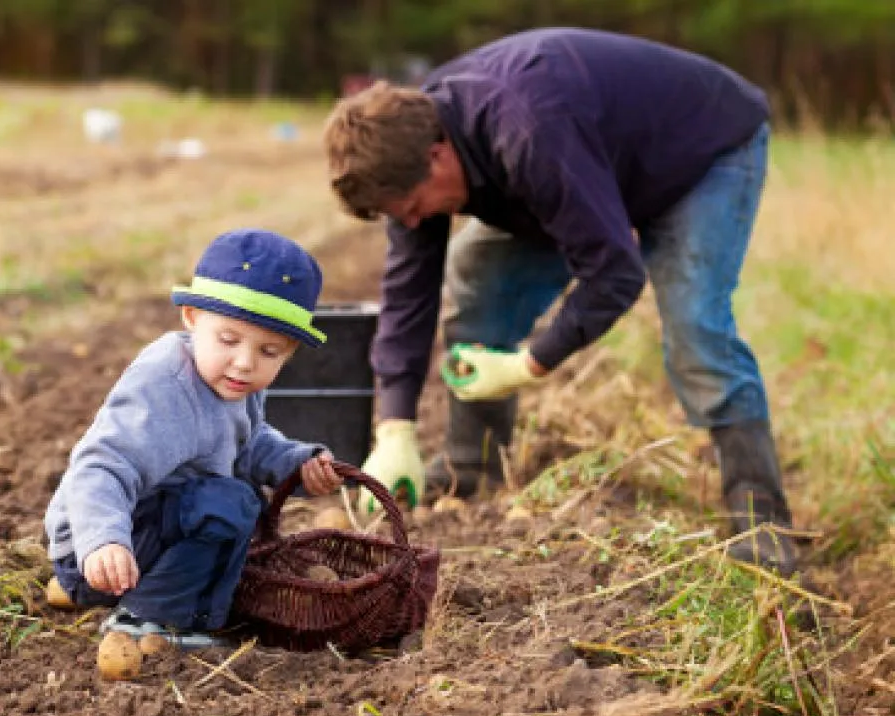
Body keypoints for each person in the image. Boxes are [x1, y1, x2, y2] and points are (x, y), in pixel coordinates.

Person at [323, 28, 798, 575]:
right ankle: (471, 465)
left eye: (410, 206)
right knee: (477, 275)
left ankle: (762, 521)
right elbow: (408, 298)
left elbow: (615, 273)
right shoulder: (405, 150)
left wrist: (530, 362)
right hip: (592, 169)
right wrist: (396, 427)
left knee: (696, 326)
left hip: (700, 157)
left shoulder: (528, 133)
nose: (410, 222)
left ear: (437, 155)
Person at [43, 229, 344, 647]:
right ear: (192, 318)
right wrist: (103, 542)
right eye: (229, 340)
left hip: (143, 536)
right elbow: (101, 467)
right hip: (100, 550)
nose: (244, 362)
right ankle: (148, 618)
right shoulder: (164, 388)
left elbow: (247, 441)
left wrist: (296, 464)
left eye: (269, 353)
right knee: (230, 502)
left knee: (237, 500)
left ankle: (191, 611)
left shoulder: (231, 382)